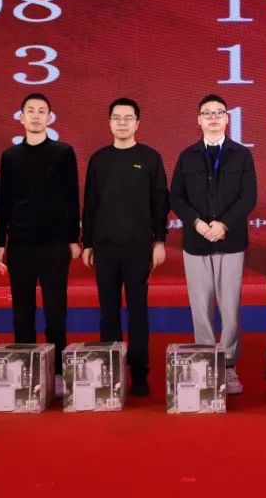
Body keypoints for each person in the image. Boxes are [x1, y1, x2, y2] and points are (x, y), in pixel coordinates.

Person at [0, 93, 81, 397]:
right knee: (22, 313)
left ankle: (57, 373)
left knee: (56, 311)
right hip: (20, 244)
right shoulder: (10, 156)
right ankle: (27, 371)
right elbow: (4, 202)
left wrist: (73, 238)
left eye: (41, 111)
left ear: (50, 118)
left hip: (55, 244)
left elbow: (72, 197)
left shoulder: (63, 152)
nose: (35, 115)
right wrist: (0, 243)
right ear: (21, 118)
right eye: (30, 111)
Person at [169, 94, 256, 394]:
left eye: (219, 112)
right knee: (200, 306)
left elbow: (248, 196)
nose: (214, 117)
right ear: (199, 120)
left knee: (230, 308)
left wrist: (223, 224)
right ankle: (207, 363)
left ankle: (228, 366)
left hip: (230, 240)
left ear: (228, 119)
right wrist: (196, 223)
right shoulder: (187, 156)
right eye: (207, 113)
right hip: (196, 241)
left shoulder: (241, 155)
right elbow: (176, 197)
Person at [81, 98, 169, 397]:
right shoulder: (99, 159)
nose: (122, 122)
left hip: (138, 249)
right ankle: (110, 373)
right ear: (109, 122)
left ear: (137, 123)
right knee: (108, 313)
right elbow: (90, 204)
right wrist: (88, 243)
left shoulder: (150, 158)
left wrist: (159, 241)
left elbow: (160, 203)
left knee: (137, 313)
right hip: (104, 249)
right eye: (116, 118)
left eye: (128, 118)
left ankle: (139, 373)